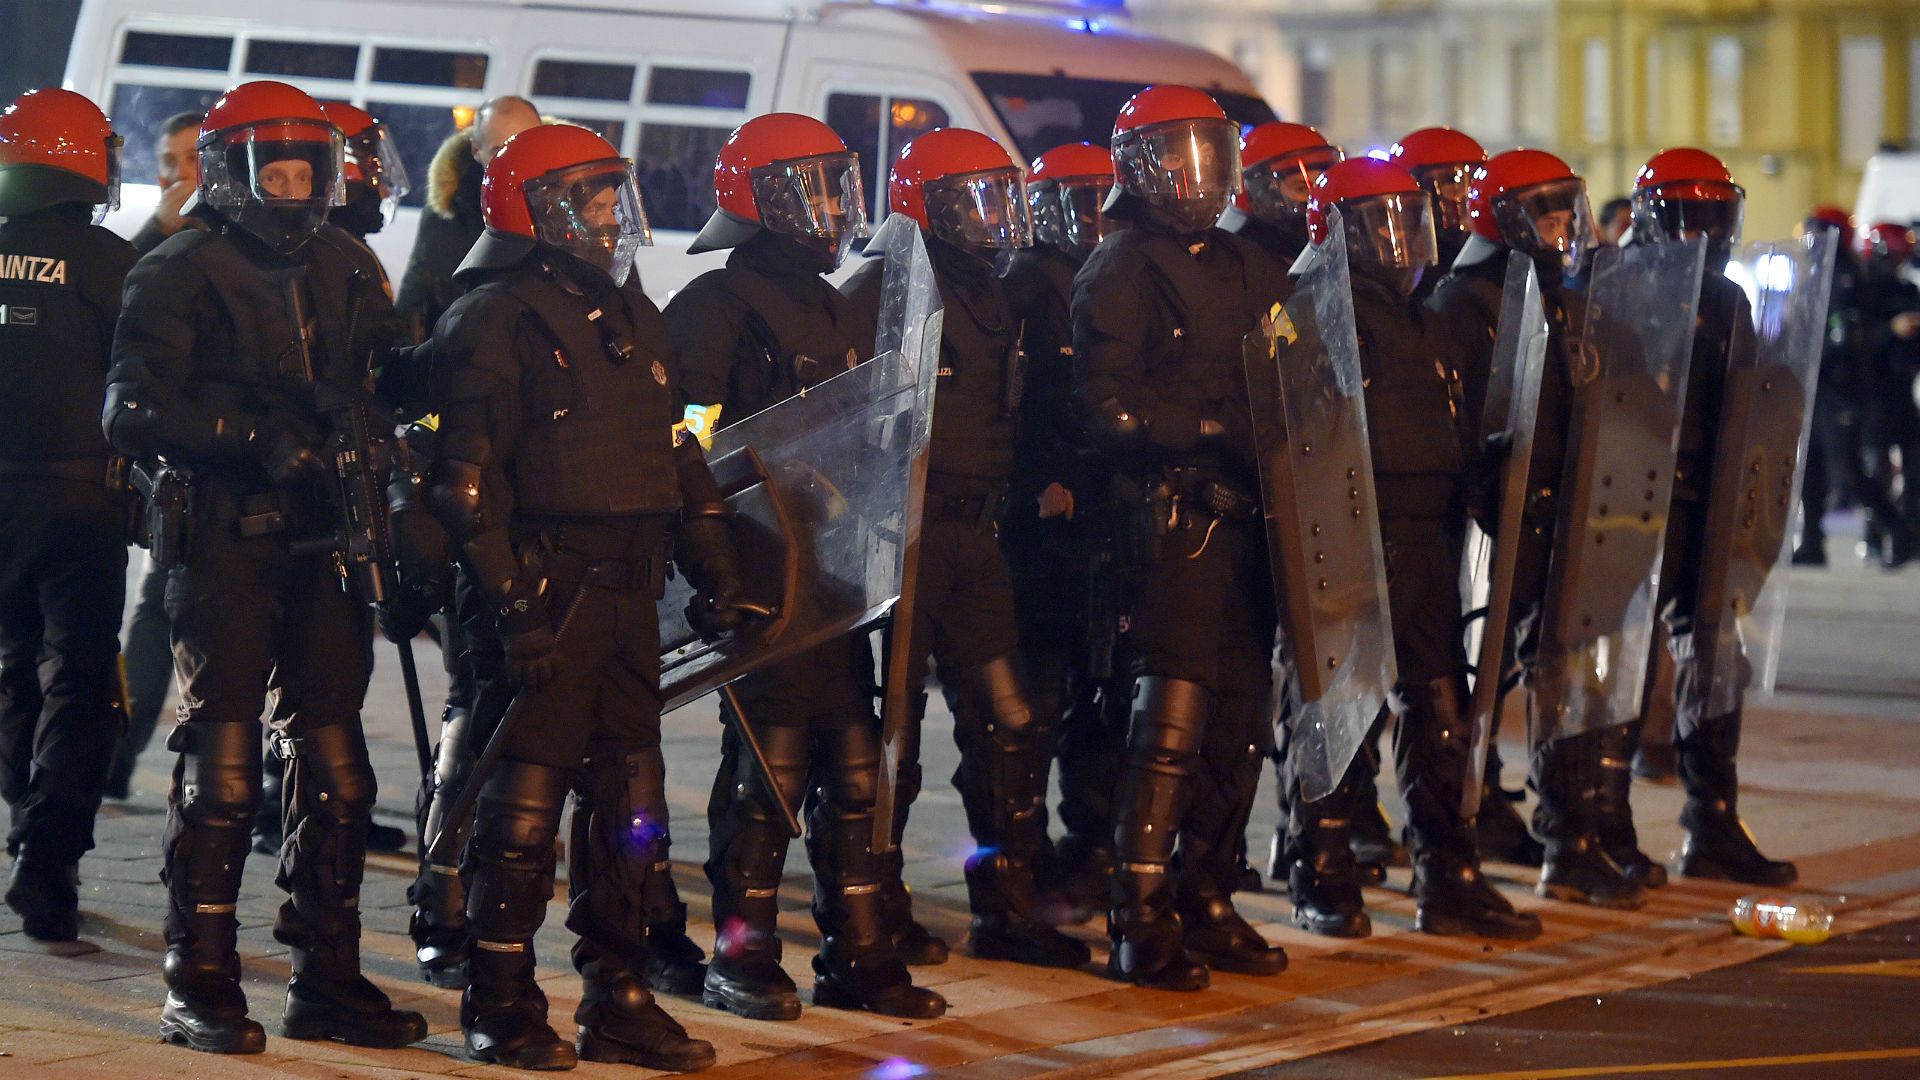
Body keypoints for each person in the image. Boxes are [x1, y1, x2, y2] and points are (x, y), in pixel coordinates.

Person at [105, 79, 426, 1055]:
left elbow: (385, 373)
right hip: (227, 539)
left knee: (338, 767)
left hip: (329, 538)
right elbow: (128, 410)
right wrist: (247, 434)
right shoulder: (180, 267)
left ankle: (324, 973)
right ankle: (197, 977)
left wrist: (435, 369)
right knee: (225, 768)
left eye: (307, 169)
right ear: (233, 172)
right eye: (274, 170)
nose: (293, 186)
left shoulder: (347, 258)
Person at [422, 122, 730, 1071]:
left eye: (612, 195)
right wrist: (513, 610)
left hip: (629, 589)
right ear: (537, 211)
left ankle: (619, 992)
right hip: (544, 591)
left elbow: (675, 454)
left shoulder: (636, 313)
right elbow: (461, 486)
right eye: (590, 200)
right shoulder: (491, 316)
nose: (610, 216)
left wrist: (724, 571)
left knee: (632, 801)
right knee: (522, 811)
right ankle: (503, 998)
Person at [665, 113, 944, 1021]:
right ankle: (740, 959)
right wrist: (720, 544)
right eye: (809, 190)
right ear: (761, 201)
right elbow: (684, 437)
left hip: (836, 577)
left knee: (854, 767)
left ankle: (859, 957)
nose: (830, 209)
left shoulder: (834, 301)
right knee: (767, 777)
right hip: (761, 575)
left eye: (836, 187)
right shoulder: (715, 304)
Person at [841, 127, 1092, 972]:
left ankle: (1009, 907)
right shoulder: (885, 283)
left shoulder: (999, 289)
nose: (993, 216)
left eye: (999, 196)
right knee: (891, 737)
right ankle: (873, 907)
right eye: (974, 199)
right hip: (903, 535)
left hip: (975, 534)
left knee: (1010, 723)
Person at [1285, 157, 1541, 940]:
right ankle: (1322, 871)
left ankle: (1447, 869)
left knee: (1438, 707)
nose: (1399, 242)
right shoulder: (1306, 307)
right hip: (1352, 531)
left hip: (1430, 530)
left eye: (1407, 223)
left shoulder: (1424, 314)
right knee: (1339, 708)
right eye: (1379, 226)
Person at [1073, 85, 1289, 989]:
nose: (1198, 177)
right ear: (1137, 169)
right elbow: (1103, 407)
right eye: (1177, 156)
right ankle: (1141, 918)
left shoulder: (1247, 262)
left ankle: (1209, 894)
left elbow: (1292, 366)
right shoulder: (1121, 264)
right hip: (1171, 522)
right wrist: (1206, 430)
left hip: (1252, 522)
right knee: (1168, 727)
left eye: (1211, 154)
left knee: (1238, 723)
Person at [1428, 148, 1646, 909]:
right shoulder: (1465, 301)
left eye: (1566, 207)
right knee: (1470, 685)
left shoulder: (1576, 297)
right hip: (1494, 522)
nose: (1561, 223)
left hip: (1571, 517)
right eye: (1544, 210)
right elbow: (1449, 420)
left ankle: (1572, 838)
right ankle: (1457, 841)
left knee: (1570, 678)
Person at [1623, 147, 1798, 887]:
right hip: (1629, 494)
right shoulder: (1616, 285)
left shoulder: (1727, 299)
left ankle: (1712, 818)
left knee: (1717, 658)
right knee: (1615, 661)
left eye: (1716, 214)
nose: (1705, 233)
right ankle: (1598, 824)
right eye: (1691, 215)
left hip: (1708, 495)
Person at [0, 88, 138, 943]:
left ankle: (26, 818)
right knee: (81, 679)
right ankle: (47, 855)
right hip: (78, 500)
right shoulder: (111, 262)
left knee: (14, 665)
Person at [1002, 141, 1124, 921]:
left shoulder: (1110, 277)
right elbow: (1010, 410)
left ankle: (1089, 845)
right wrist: (1033, 488)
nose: (1087, 217)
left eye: (1096, 200)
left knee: (1098, 697)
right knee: (1035, 703)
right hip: (1037, 529)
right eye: (1072, 201)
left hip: (1098, 517)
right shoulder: (1023, 285)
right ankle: (1025, 861)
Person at [110, 108, 208, 801]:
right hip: (176, 456)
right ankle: (120, 750)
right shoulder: (159, 247)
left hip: (231, 453)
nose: (172, 178)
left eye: (186, 161)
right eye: (166, 164)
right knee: (156, 605)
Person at [1793, 206, 1913, 566]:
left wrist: (1813, 354)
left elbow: (1842, 336)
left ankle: (1899, 530)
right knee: (1810, 468)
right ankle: (1812, 542)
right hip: (1820, 385)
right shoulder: (1822, 272)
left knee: (1846, 470)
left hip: (1837, 387)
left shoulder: (1842, 275)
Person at [395, 95, 539, 339]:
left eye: (524, 147)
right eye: (499, 151)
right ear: (476, 150)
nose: (514, 161)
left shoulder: (570, 210)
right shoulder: (446, 214)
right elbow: (415, 298)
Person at [1855, 223, 1920, 558]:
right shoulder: (1864, 292)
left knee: (1915, 463)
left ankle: (1911, 532)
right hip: (1874, 392)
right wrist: (1892, 331)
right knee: (1875, 465)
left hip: (1902, 389)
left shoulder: (1908, 291)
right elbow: (1858, 341)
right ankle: (1877, 535)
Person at [1218, 120, 1341, 283]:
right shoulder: (1234, 271)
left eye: (1323, 187)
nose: (1317, 200)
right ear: (1262, 194)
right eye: (1302, 188)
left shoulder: (1342, 258)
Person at [1389, 126, 1487, 301]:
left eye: (1471, 183)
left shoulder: (1489, 256)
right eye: (1451, 183)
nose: (1464, 195)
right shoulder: (1399, 267)